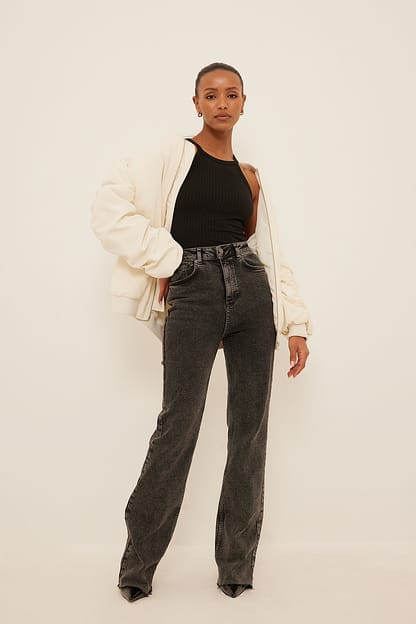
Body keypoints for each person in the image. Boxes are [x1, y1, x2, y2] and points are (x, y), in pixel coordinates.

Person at [90, 62, 312, 602]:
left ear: (244, 103)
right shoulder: (169, 156)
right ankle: (138, 566)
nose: (221, 103)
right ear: (195, 103)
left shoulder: (250, 176)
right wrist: (168, 259)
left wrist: (296, 322)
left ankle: (236, 565)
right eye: (210, 95)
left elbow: (268, 250)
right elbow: (108, 209)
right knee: (178, 424)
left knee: (249, 430)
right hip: (191, 289)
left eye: (231, 94)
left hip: (252, 291)